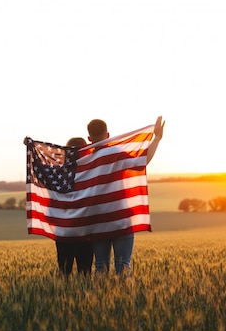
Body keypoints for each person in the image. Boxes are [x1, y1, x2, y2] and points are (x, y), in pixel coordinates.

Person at [87, 116, 165, 278]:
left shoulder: (85, 159)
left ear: (89, 138)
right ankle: (124, 300)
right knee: (123, 266)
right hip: (121, 217)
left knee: (100, 267)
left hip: (97, 220)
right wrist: (156, 138)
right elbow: (143, 161)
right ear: (108, 135)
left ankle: (99, 302)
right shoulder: (117, 153)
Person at [55, 137, 94, 278]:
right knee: (85, 273)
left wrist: (30, 146)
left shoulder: (58, 171)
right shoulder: (91, 169)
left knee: (64, 271)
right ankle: (84, 298)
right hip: (84, 230)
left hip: (63, 230)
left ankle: (61, 297)